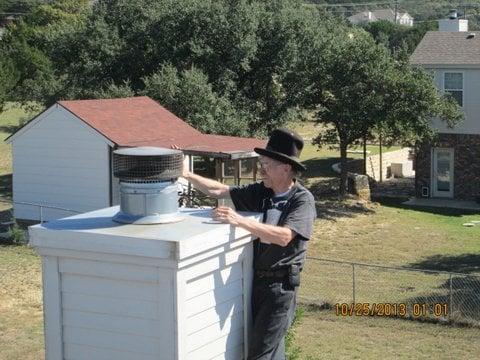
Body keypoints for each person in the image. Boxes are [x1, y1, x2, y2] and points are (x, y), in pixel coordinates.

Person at [180, 128, 316, 360]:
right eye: (262, 162)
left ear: (286, 168)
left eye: (267, 164)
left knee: (260, 354)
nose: (261, 168)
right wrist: (186, 174)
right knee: (272, 352)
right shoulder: (261, 192)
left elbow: (283, 237)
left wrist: (238, 220)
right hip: (257, 282)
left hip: (280, 289)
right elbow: (219, 190)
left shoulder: (302, 200)